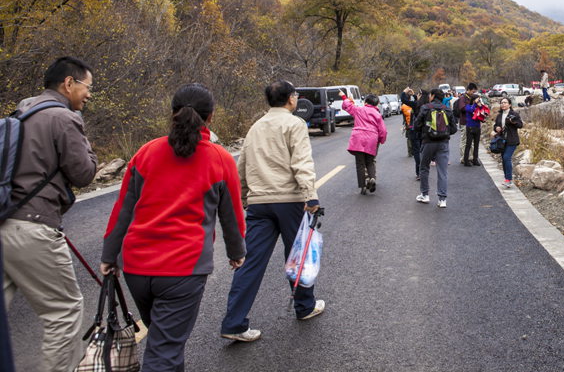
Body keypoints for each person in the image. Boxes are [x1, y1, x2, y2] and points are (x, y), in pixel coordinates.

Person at [101, 83, 246, 369]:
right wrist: (236, 251)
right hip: (184, 270)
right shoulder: (220, 158)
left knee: (164, 339)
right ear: (211, 117)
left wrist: (109, 255)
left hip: (137, 268)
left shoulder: (146, 152)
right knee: (164, 348)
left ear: (172, 113)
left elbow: (123, 210)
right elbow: (231, 215)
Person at [2, 56, 98, 371]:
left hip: (6, 219)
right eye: (87, 87)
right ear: (69, 83)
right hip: (34, 225)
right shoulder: (63, 118)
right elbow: (83, 173)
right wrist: (90, 150)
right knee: (64, 311)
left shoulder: (22, 111)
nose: (88, 95)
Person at [220, 80, 323, 343]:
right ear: (290, 99)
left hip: (259, 202)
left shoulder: (256, 127)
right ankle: (304, 307)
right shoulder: (294, 124)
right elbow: (301, 161)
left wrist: (244, 195)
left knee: (250, 262)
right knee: (298, 255)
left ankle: (234, 322)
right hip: (290, 201)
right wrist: (310, 194)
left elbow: (242, 164)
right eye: (295, 95)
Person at [412, 88, 457, 208]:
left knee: (424, 168)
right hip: (443, 143)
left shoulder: (426, 107)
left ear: (432, 96)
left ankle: (425, 195)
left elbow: (416, 125)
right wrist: (444, 133)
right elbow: (454, 129)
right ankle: (442, 199)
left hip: (427, 142)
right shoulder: (447, 109)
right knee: (442, 171)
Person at [344, 93, 387, 195]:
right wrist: (381, 140)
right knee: (370, 161)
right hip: (372, 139)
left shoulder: (359, 110)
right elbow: (383, 131)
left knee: (360, 164)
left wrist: (345, 98)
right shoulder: (377, 114)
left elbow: (347, 106)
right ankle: (372, 178)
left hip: (358, 139)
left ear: (366, 102)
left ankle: (363, 187)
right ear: (376, 104)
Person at [493, 97, 524, 189]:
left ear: (510, 104)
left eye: (505, 102)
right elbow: (495, 125)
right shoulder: (499, 115)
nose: (503, 104)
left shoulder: (514, 114)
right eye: (502, 103)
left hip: (512, 140)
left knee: (507, 157)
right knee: (503, 159)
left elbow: (520, 125)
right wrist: (496, 128)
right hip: (502, 140)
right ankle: (506, 178)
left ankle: (509, 180)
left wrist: (513, 122)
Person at [454, 83, 480, 166]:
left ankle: (471, 157)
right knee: (465, 141)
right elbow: (462, 108)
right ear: (468, 90)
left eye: (475, 91)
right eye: (473, 91)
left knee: (471, 142)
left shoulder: (472, 97)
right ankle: (463, 158)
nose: (473, 93)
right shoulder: (463, 98)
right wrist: (472, 107)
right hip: (465, 122)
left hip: (473, 123)